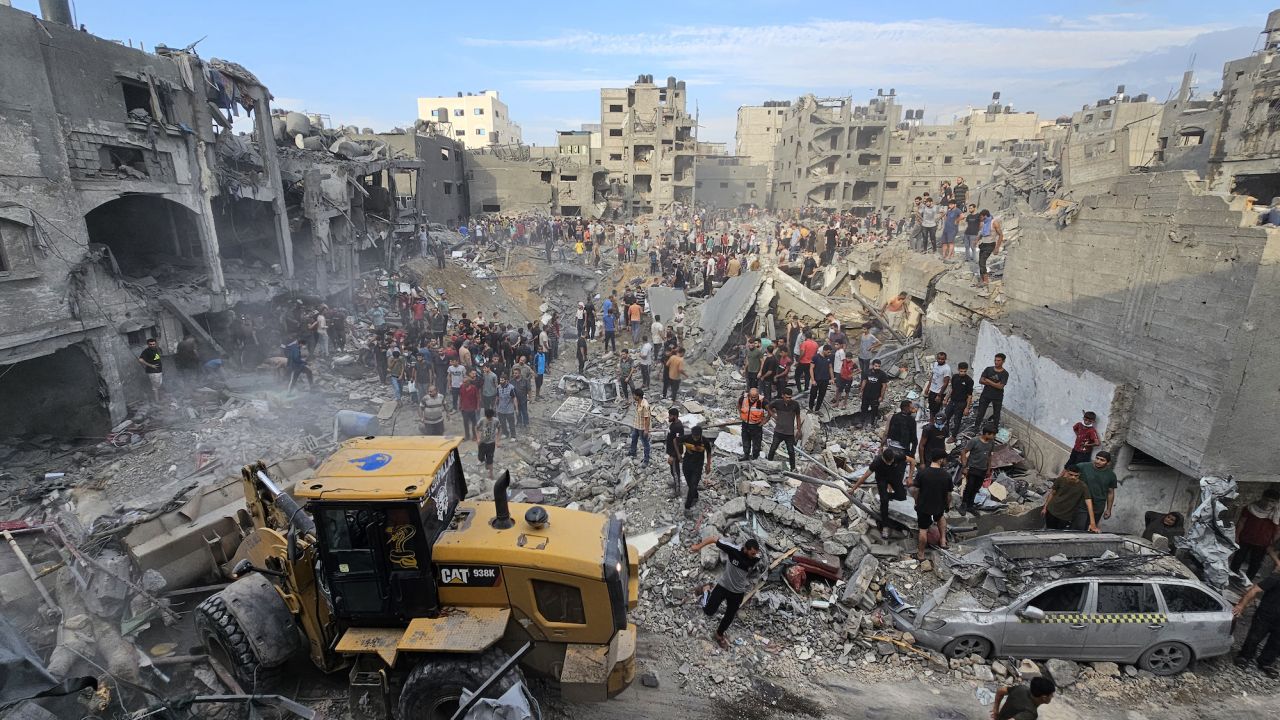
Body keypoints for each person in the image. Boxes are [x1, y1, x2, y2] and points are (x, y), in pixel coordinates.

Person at [688, 536, 762, 649]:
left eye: (755, 553)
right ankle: (706, 590)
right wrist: (698, 547)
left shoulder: (756, 558)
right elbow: (713, 539)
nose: (754, 556)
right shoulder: (733, 550)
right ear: (745, 549)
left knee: (729, 616)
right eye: (752, 553)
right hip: (723, 586)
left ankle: (719, 635)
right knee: (708, 611)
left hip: (737, 592)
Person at [850, 448, 916, 540]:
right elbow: (865, 476)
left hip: (894, 476)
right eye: (887, 462)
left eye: (891, 462)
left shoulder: (897, 456)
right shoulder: (877, 462)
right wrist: (853, 489)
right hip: (882, 479)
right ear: (883, 458)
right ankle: (885, 526)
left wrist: (910, 477)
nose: (889, 463)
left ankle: (884, 496)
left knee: (902, 496)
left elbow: (912, 461)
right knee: (884, 501)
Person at [1233, 575, 1280, 677]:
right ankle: (1244, 657)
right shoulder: (1276, 578)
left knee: (1276, 643)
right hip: (1265, 615)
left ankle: (1266, 663)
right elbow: (1255, 590)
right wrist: (1241, 605)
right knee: (1254, 637)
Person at [1232, 488, 1280, 581]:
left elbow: (1278, 530)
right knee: (1237, 559)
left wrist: (1271, 545)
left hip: (1263, 544)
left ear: (1276, 502)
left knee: (1255, 564)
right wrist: (1237, 536)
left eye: (1272, 501)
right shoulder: (1250, 508)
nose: (1268, 503)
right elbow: (1242, 522)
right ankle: (1232, 577)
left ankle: (1247, 581)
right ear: (1262, 497)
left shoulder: (1277, 514)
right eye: (1266, 499)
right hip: (1245, 539)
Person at [915, 449, 952, 560]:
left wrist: (916, 502)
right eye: (944, 459)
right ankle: (943, 541)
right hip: (939, 504)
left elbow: (916, 490)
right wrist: (947, 505)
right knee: (940, 517)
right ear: (940, 460)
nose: (945, 461)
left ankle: (921, 554)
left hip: (924, 505)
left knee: (923, 529)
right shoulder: (946, 475)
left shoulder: (922, 473)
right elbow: (949, 494)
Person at [1041, 466, 1097, 532]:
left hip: (1066, 516)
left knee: (1059, 533)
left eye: (1076, 476)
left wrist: (1093, 523)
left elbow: (1089, 503)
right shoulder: (1060, 480)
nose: (1073, 477)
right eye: (1071, 474)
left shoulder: (1083, 486)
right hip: (1052, 511)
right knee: (1049, 530)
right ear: (1067, 473)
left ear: (1079, 475)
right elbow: (1052, 494)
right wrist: (1045, 507)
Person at [958, 424, 998, 516]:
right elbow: (963, 452)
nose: (994, 437)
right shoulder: (974, 441)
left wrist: (988, 469)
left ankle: (970, 505)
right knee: (969, 486)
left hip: (982, 470)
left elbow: (989, 456)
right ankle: (963, 504)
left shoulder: (991, 443)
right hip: (972, 468)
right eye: (993, 434)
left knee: (976, 488)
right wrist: (964, 467)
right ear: (987, 433)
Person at [1076, 451, 1118, 527]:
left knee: (1091, 529)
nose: (1098, 461)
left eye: (1102, 460)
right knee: (1078, 528)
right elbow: (1069, 474)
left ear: (1108, 463)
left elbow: (1110, 492)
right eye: (1097, 458)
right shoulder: (1083, 466)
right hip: (1081, 505)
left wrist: (1108, 509)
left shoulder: (1111, 475)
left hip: (1098, 507)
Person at [766, 388, 802, 470]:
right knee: (773, 448)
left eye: (790, 397)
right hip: (778, 432)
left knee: (791, 451)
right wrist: (773, 415)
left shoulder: (795, 404)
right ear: (782, 396)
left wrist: (799, 430)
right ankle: (768, 464)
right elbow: (768, 407)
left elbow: (798, 417)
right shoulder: (777, 403)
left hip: (789, 433)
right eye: (787, 397)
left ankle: (793, 468)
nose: (788, 399)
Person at [680, 425, 712, 513]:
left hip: (698, 466)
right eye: (694, 436)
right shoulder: (687, 438)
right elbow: (675, 441)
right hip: (686, 464)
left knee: (693, 484)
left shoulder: (705, 441)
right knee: (690, 484)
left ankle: (687, 506)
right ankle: (695, 496)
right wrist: (679, 454)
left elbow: (709, 452)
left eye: (696, 437)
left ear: (700, 435)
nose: (695, 438)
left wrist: (708, 465)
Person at [974, 353, 1009, 431]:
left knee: (996, 414)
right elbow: (981, 381)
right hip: (986, 395)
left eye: (998, 360)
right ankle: (976, 428)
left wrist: (988, 380)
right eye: (995, 360)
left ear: (1003, 361)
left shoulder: (1005, 373)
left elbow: (1000, 386)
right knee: (980, 412)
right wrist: (995, 384)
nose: (996, 362)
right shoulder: (988, 369)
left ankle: (995, 430)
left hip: (997, 397)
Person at [942, 362, 974, 442]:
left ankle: (953, 436)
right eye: (961, 371)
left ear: (967, 370)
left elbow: (969, 396)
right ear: (958, 369)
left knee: (957, 420)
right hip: (952, 401)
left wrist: (967, 408)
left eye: (964, 371)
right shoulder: (955, 377)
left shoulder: (969, 381)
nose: (963, 373)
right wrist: (946, 399)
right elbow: (952, 389)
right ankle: (945, 433)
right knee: (946, 417)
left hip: (961, 403)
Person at [856, 359, 891, 428]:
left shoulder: (882, 374)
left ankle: (872, 423)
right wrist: (861, 391)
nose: (877, 368)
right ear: (872, 365)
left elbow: (884, 386)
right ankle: (861, 422)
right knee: (863, 408)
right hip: (866, 394)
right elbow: (864, 381)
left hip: (876, 395)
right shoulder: (867, 372)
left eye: (879, 366)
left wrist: (881, 396)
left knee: (874, 410)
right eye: (876, 366)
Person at [738, 387, 767, 461]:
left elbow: (770, 411)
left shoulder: (762, 401)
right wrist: (740, 414)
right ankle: (746, 455)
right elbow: (739, 405)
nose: (754, 399)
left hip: (756, 425)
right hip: (745, 424)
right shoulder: (743, 398)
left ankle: (755, 457)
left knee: (757, 443)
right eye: (752, 397)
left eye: (755, 397)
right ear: (749, 395)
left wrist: (764, 421)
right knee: (745, 440)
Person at [976, 209, 1004, 286]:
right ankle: (982, 280)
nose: (980, 219)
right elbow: (981, 234)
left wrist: (997, 247)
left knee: (982, 262)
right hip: (983, 244)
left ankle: (986, 280)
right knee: (980, 262)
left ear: (985, 216)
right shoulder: (983, 223)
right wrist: (976, 240)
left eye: (981, 217)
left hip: (990, 244)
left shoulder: (994, 222)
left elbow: (1001, 235)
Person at [475, 407, 500, 482]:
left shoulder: (496, 420)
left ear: (493, 416)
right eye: (488, 418)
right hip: (482, 443)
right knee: (480, 458)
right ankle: (484, 460)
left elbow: (499, 429)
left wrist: (497, 440)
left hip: (491, 443)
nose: (489, 419)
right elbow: (476, 428)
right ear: (485, 416)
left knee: (490, 459)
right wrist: (478, 438)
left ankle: (491, 474)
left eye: (490, 418)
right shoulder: (482, 420)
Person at [627, 388, 651, 465]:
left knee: (645, 444)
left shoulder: (645, 405)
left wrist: (646, 430)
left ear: (638, 396)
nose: (633, 396)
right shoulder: (638, 402)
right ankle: (632, 452)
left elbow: (647, 418)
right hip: (636, 426)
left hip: (642, 428)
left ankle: (646, 460)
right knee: (634, 439)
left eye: (634, 395)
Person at [664, 407, 684, 497]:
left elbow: (678, 443)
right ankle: (675, 483)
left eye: (670, 416)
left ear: (675, 416)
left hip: (675, 453)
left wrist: (674, 455)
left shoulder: (678, 427)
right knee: (672, 470)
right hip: (671, 452)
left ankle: (677, 490)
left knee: (675, 472)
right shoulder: (673, 424)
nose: (668, 417)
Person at [138, 337, 164, 402]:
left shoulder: (157, 349)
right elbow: (140, 359)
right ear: (148, 344)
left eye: (153, 344)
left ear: (155, 344)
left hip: (159, 370)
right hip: (152, 371)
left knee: (159, 384)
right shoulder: (146, 351)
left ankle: (159, 397)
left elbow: (159, 357)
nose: (152, 345)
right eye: (150, 344)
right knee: (155, 386)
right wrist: (151, 365)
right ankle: (157, 400)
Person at [926, 352, 951, 418]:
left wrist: (939, 395)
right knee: (931, 408)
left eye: (942, 359)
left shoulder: (946, 369)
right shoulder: (935, 364)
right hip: (932, 390)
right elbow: (932, 376)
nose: (940, 360)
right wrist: (928, 387)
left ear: (945, 359)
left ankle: (936, 422)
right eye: (939, 358)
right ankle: (931, 421)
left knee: (936, 409)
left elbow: (946, 383)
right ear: (937, 358)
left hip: (939, 392)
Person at [459, 370, 480, 441]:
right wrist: (460, 405)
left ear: (469, 382)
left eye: (465, 382)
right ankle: (467, 436)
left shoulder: (474, 388)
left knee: (474, 423)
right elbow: (461, 397)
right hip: (464, 409)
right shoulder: (461, 387)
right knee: (465, 423)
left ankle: (474, 436)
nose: (463, 383)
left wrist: (477, 406)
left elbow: (477, 397)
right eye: (463, 382)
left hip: (472, 409)